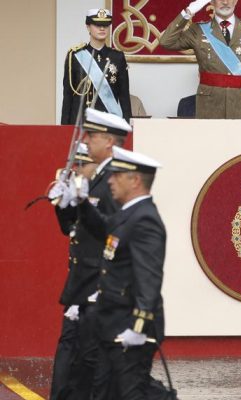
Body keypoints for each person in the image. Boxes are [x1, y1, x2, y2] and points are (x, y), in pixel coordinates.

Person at [48, 108, 130, 400]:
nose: (86, 140)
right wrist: (64, 203)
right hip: (82, 281)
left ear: (108, 141)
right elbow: (74, 229)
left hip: (100, 284)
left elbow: (115, 233)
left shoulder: (118, 180)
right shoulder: (96, 177)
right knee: (79, 358)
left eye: (92, 136)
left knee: (95, 362)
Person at [74, 146, 166, 399]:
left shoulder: (145, 219)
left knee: (130, 393)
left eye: (117, 175)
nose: (110, 180)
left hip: (130, 326)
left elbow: (149, 277)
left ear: (135, 180)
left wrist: (139, 326)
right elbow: (104, 229)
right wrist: (82, 203)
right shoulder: (129, 213)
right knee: (105, 391)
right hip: (112, 322)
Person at [160, 0, 241, 119]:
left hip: (240, 106)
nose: (225, 2)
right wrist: (188, 13)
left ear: (236, 1)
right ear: (211, 2)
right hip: (209, 106)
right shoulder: (198, 30)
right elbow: (166, 42)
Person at [61, 9, 132, 125]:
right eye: (97, 25)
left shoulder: (118, 57)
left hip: (108, 123)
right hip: (80, 123)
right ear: (88, 27)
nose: (102, 28)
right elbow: (68, 97)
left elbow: (124, 96)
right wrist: (64, 129)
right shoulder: (75, 56)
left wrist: (127, 126)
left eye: (106, 25)